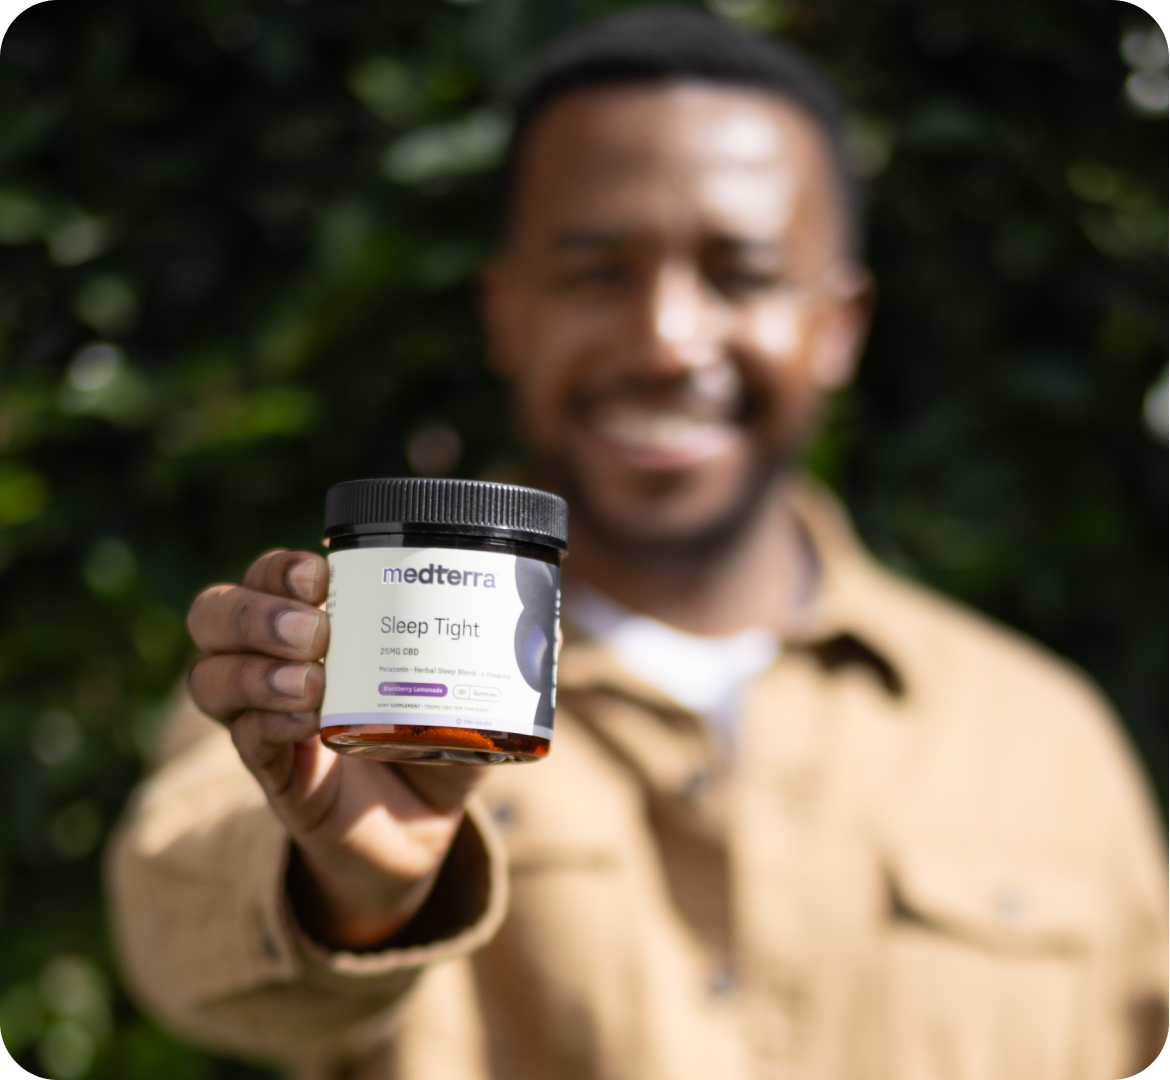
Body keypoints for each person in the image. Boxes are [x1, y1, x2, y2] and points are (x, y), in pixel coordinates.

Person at [106, 8, 1168, 1079]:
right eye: (597, 273)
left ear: (838, 325)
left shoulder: (1046, 739)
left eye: (741, 274)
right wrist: (354, 888)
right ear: (506, 312)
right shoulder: (357, 668)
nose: (665, 340)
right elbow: (175, 929)